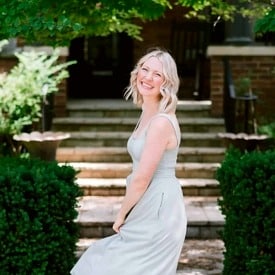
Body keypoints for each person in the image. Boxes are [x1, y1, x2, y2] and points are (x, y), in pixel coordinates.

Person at [70, 48, 187, 275]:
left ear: (167, 82)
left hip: (159, 209)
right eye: (145, 69)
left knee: (106, 262)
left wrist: (121, 214)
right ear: (137, 72)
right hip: (146, 204)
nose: (148, 77)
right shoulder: (147, 115)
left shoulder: (161, 122)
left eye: (157, 74)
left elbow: (142, 178)